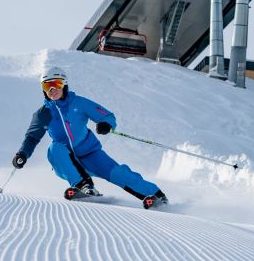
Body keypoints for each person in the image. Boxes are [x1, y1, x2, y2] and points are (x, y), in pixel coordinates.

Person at [11, 66, 168, 209]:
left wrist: (106, 124)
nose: (52, 89)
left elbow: (107, 116)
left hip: (91, 154)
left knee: (118, 173)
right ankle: (83, 186)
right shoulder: (43, 114)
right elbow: (32, 138)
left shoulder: (79, 103)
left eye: (56, 84)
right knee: (54, 149)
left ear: (64, 84)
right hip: (65, 160)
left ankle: (156, 195)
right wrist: (22, 154)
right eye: (47, 86)